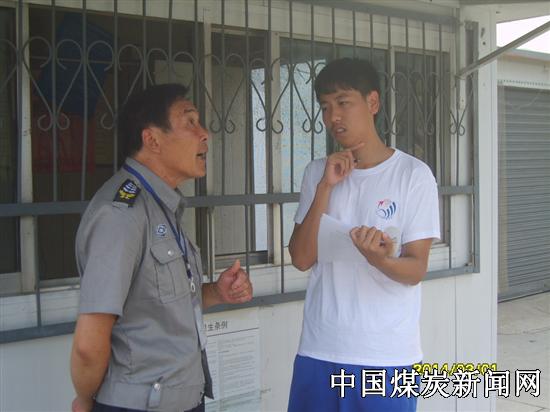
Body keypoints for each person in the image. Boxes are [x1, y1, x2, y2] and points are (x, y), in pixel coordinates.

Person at [70, 84, 253, 412]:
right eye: (190, 121)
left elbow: (156, 305)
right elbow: (88, 344)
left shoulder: (161, 206)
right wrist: (85, 401)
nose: (205, 133)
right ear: (152, 139)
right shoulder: (121, 215)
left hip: (184, 400)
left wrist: (216, 292)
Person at [287, 58, 440, 411]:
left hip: (385, 356)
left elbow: (415, 269)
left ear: (372, 102)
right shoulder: (317, 172)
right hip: (320, 348)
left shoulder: (413, 175)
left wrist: (379, 259)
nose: (333, 117)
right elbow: (301, 258)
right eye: (325, 107)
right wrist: (326, 187)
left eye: (343, 102)